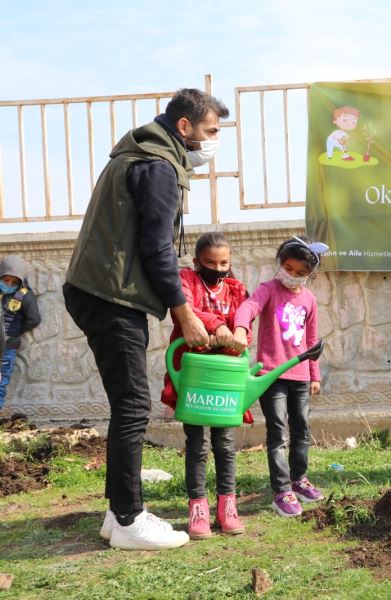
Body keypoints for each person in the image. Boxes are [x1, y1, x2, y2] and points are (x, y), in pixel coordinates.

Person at [64, 88, 229, 550]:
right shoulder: (158, 167)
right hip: (110, 296)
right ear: (184, 127)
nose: (214, 142)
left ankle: (117, 516)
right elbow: (156, 249)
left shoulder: (141, 154)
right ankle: (129, 518)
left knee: (128, 402)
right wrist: (186, 312)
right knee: (135, 404)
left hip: (102, 291)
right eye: (211, 132)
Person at [160, 232, 250, 540]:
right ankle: (197, 507)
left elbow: (245, 322)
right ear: (197, 262)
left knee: (225, 443)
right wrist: (217, 325)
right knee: (196, 444)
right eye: (210, 262)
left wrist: (238, 332)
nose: (218, 268)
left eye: (224, 262)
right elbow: (184, 307)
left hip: (224, 379)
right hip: (195, 375)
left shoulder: (236, 290)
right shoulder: (186, 279)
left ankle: (228, 505)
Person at [233, 236, 327, 518]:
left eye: (301, 273)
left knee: (301, 429)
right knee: (278, 433)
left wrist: (314, 375)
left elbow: (311, 340)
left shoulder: (309, 299)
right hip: (270, 375)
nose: (293, 276)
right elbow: (249, 307)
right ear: (280, 263)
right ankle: (282, 491)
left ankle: (299, 479)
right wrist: (240, 326)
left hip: (299, 375)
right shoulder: (268, 290)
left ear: (310, 275)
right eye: (288, 268)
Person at [0, 255, 41, 410]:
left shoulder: (25, 296)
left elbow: (34, 319)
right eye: (6, 280)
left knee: (0, 383)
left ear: (21, 281)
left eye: (14, 282)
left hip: (6, 347)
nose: (9, 284)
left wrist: (15, 331)